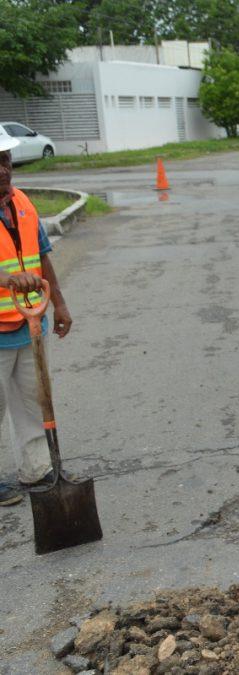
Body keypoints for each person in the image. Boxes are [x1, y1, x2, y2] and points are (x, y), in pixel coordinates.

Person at [0, 135, 72, 507]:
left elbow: (42, 256)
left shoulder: (23, 202)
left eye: (6, 160)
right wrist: (7, 279)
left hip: (29, 323)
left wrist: (58, 303)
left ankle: (36, 468)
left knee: (34, 400)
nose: (2, 170)